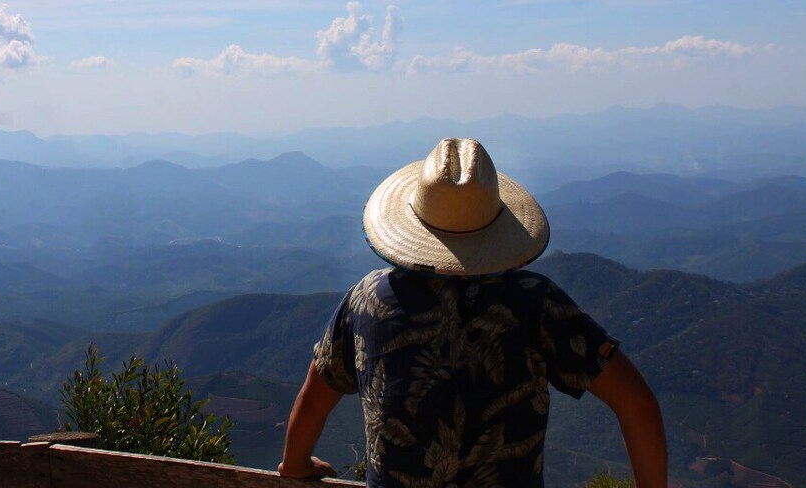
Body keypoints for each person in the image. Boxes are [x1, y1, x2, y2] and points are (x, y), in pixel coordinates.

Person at [278, 138, 666, 487]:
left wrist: (295, 465)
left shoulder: (366, 300)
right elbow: (637, 404)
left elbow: (315, 398)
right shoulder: (534, 302)